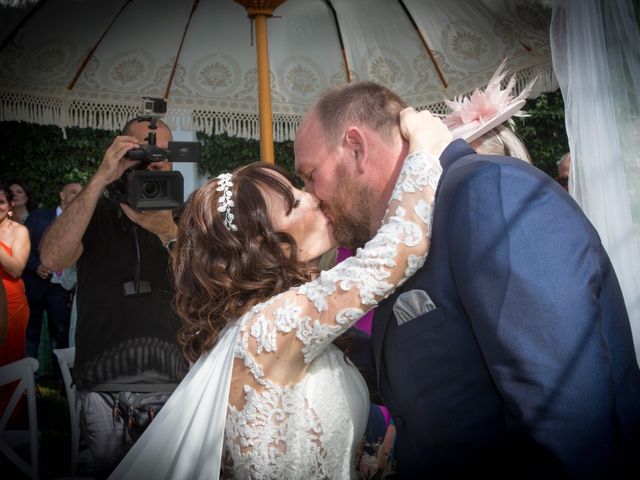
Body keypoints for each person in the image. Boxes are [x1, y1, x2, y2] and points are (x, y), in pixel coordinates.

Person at [294, 73, 640, 477]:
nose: (311, 196)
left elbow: (568, 417)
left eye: (309, 175)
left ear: (356, 148)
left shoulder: (489, 192)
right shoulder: (403, 235)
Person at [109, 108, 450, 479]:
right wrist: (424, 149)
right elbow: (400, 248)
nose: (315, 196)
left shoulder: (262, 322)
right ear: (265, 248)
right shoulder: (268, 326)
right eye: (294, 200)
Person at [39, 118, 188, 479]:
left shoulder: (185, 216)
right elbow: (51, 259)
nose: (155, 161)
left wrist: (169, 234)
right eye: (143, 151)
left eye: (164, 154)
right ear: (118, 151)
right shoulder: (94, 210)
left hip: (172, 381)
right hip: (104, 385)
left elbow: (205, 288)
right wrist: (99, 180)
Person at [23, 182, 83, 383]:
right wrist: (36, 266)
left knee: (61, 333)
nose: (78, 195)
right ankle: (27, 378)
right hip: (35, 285)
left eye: (81, 193)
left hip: (60, 289)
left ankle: (61, 380)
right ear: (62, 195)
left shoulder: (80, 222)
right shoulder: (39, 217)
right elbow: (26, 248)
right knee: (31, 332)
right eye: (73, 191)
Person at [0, 183, 30, 420]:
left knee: (9, 356)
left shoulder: (19, 231)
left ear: (10, 205)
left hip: (9, 303)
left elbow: (16, 268)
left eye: (0, 201)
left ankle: (11, 416)